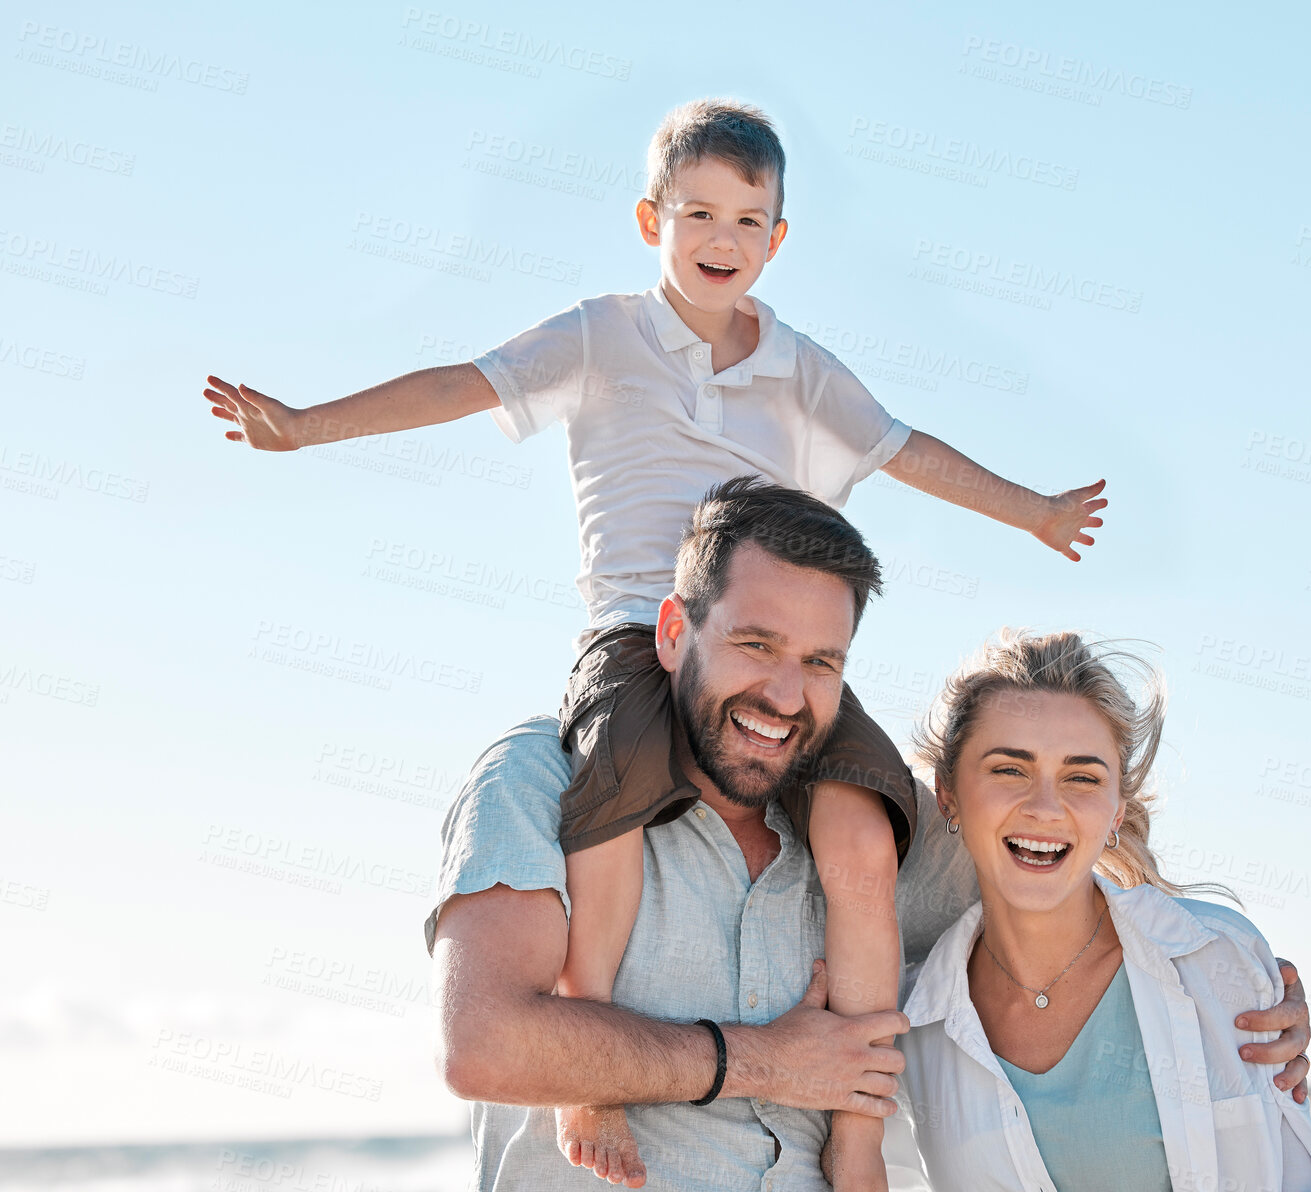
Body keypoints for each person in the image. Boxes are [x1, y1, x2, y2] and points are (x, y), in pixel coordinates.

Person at [200, 99, 1106, 1189]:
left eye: (747, 220)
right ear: (651, 221)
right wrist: (305, 424)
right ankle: (591, 1059)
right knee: (617, 804)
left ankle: (857, 1134)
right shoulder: (601, 334)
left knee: (866, 837)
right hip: (639, 634)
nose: (722, 241)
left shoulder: (802, 368)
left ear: (777, 240)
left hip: (770, 644)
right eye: (699, 215)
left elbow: (908, 451)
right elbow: (461, 383)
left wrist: (1037, 510)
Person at [427, 478, 1311, 1191]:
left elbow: (1057, 896)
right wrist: (766, 1063)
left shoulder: (874, 829)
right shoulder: (542, 778)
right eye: (754, 644)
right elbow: (483, 1042)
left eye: (821, 663)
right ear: (673, 632)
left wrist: (1230, 984)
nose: (784, 694)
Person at [898, 630, 1311, 1191]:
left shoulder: (1216, 959)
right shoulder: (915, 1021)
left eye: (1082, 777)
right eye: (1009, 769)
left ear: (1117, 811)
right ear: (948, 795)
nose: (1045, 807)